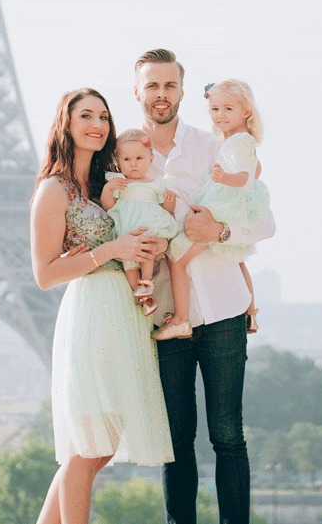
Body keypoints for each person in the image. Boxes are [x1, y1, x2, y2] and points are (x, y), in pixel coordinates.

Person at [133, 49, 275, 524]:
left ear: (181, 92)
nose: (161, 94)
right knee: (176, 443)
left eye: (169, 85)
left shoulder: (217, 146)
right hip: (167, 315)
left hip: (224, 310)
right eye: (152, 85)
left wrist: (218, 232)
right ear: (138, 93)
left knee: (228, 437)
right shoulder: (122, 156)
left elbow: (265, 222)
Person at [30, 88, 173, 524]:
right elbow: (45, 274)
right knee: (88, 446)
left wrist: (156, 240)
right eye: (86, 115)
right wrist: (112, 248)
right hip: (92, 311)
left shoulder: (110, 184)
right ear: (66, 125)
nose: (98, 124)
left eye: (104, 116)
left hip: (123, 314)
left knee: (100, 446)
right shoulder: (54, 190)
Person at [151, 79, 268, 341]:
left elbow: (247, 178)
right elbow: (255, 172)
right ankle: (250, 311)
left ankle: (181, 320)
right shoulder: (240, 141)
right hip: (226, 207)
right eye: (215, 109)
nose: (219, 115)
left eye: (228, 109)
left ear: (246, 111)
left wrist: (224, 180)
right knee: (238, 260)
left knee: (176, 258)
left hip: (220, 208)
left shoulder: (234, 143)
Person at [101, 129, 179, 317]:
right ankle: (142, 297)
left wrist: (169, 199)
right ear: (118, 161)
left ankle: (147, 281)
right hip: (127, 228)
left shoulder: (156, 183)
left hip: (147, 226)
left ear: (150, 160)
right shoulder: (119, 182)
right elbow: (108, 206)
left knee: (147, 249)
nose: (133, 164)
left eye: (138, 158)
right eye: (126, 160)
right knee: (129, 263)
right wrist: (108, 188)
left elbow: (167, 209)